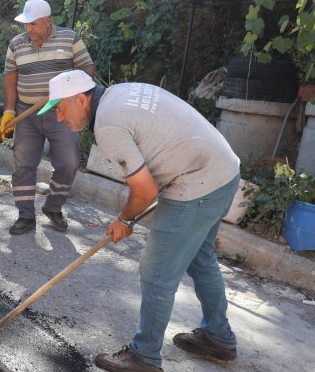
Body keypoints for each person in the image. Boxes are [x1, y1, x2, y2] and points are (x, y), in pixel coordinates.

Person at [38, 70, 241, 372]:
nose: (58, 118)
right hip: (223, 171)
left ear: (81, 100)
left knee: (157, 273)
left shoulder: (108, 125)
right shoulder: (119, 93)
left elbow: (145, 190)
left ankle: (144, 357)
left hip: (197, 182)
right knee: (200, 257)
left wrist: (124, 220)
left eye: (59, 108)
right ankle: (218, 337)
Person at [0, 0, 96, 235]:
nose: (28, 29)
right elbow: (10, 79)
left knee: (68, 162)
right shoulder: (16, 44)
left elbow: (87, 70)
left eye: (33, 24)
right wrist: (9, 111)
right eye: (26, 24)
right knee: (23, 165)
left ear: (48, 21)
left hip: (61, 112)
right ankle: (25, 216)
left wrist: (67, 89)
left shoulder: (70, 38)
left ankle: (53, 207)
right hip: (27, 113)